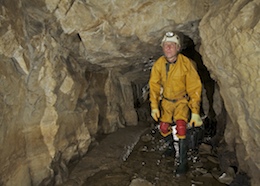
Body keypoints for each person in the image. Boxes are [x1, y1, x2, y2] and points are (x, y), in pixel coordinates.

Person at [149, 31, 203, 176]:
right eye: (166, 45)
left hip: (181, 101)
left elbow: (194, 87)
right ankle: (171, 147)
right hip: (166, 101)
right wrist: (154, 107)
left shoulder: (187, 64)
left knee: (180, 127)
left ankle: (183, 163)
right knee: (164, 127)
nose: (168, 48)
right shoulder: (159, 64)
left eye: (172, 45)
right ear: (162, 47)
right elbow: (154, 86)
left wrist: (195, 112)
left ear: (178, 48)